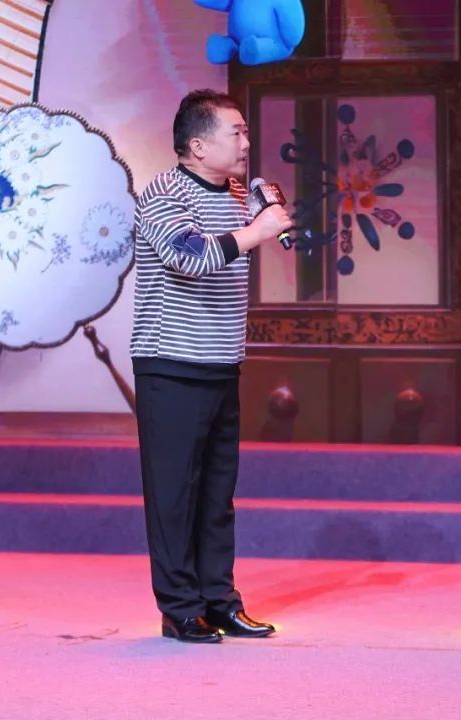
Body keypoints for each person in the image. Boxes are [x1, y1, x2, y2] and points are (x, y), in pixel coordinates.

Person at [130, 88, 293, 643]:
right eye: (236, 132)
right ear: (197, 146)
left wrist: (262, 218)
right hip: (170, 364)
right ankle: (180, 609)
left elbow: (246, 239)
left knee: (218, 496)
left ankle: (220, 601)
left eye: (246, 132)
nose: (247, 142)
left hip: (222, 362)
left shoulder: (239, 193)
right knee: (174, 495)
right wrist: (255, 232)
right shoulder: (163, 193)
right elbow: (189, 256)